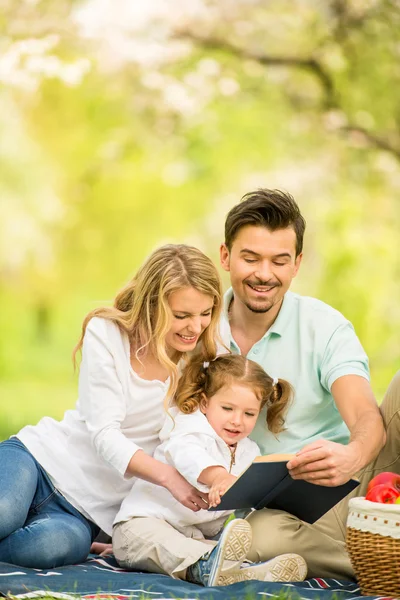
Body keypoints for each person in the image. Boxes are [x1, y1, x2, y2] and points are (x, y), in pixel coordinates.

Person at [0, 244, 223, 569]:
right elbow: (104, 433)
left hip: (84, 513)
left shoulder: (201, 364)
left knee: (46, 549)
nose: (196, 326)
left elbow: (197, 436)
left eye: (206, 313)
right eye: (182, 315)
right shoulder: (107, 334)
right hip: (37, 460)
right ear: (152, 305)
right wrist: (170, 478)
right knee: (3, 512)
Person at [219, 188, 400, 579]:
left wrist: (351, 456)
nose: (264, 274)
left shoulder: (323, 325)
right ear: (225, 256)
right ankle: (375, 560)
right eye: (250, 258)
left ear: (297, 264)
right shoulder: (198, 328)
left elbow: (367, 417)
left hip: (350, 486)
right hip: (270, 516)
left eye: (279, 261)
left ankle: (380, 543)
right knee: (253, 534)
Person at [113, 353, 307, 586]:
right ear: (205, 403)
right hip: (141, 524)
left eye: (249, 414)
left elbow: (246, 502)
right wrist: (218, 477)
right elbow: (188, 456)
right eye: (227, 408)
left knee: (211, 550)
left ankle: (246, 571)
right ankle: (207, 568)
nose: (237, 420)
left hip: (192, 535)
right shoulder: (189, 427)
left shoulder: (250, 453)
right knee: (167, 545)